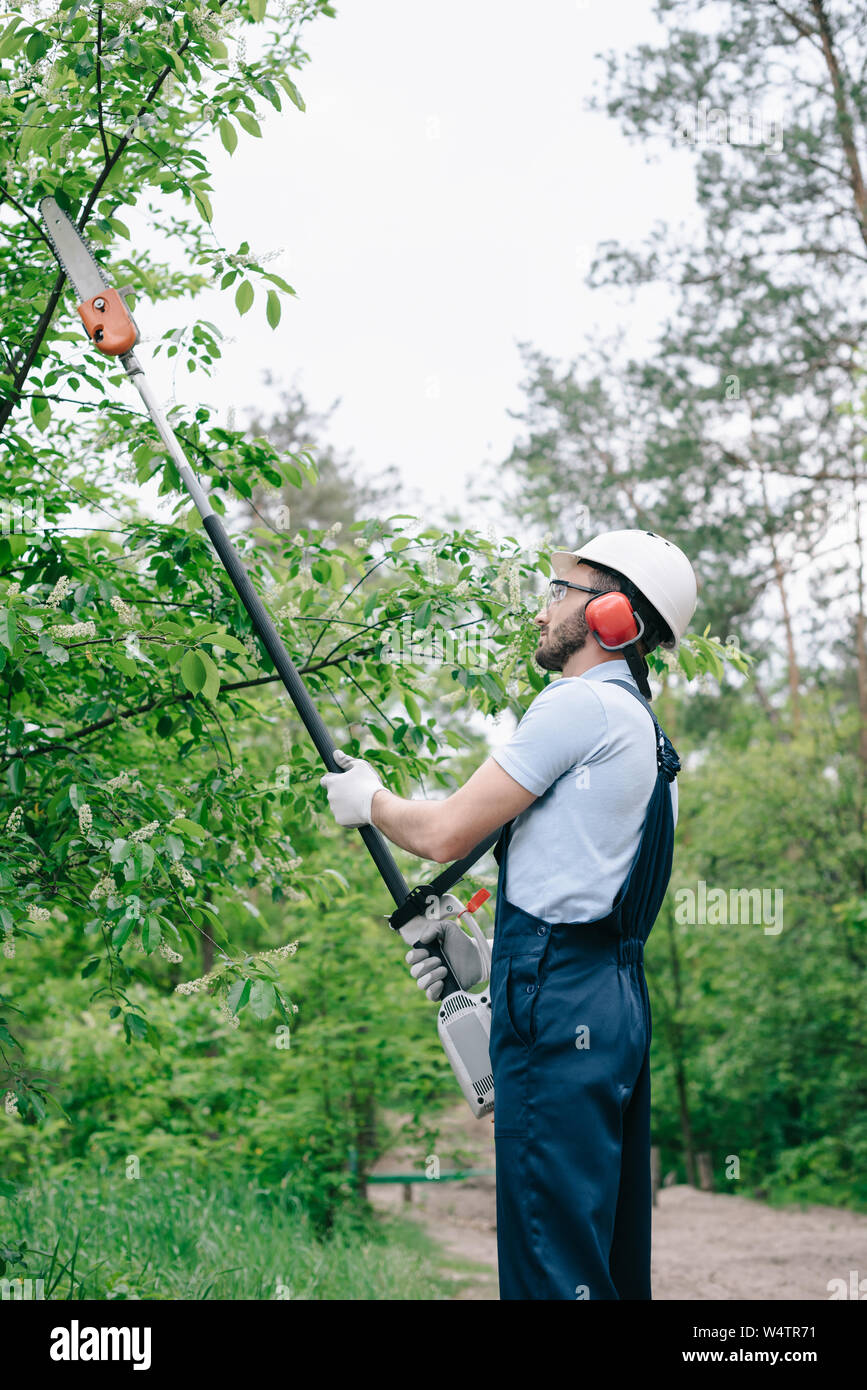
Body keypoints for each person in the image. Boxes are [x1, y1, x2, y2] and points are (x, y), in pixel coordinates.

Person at [320, 529, 698, 1300]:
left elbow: (445, 831)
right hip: (610, 1003)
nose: (540, 612)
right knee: (599, 1256)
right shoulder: (649, 742)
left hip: (558, 1005)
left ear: (614, 615)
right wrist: (487, 960)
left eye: (561, 592)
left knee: (547, 1259)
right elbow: (583, 899)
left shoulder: (578, 705)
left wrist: (368, 800)